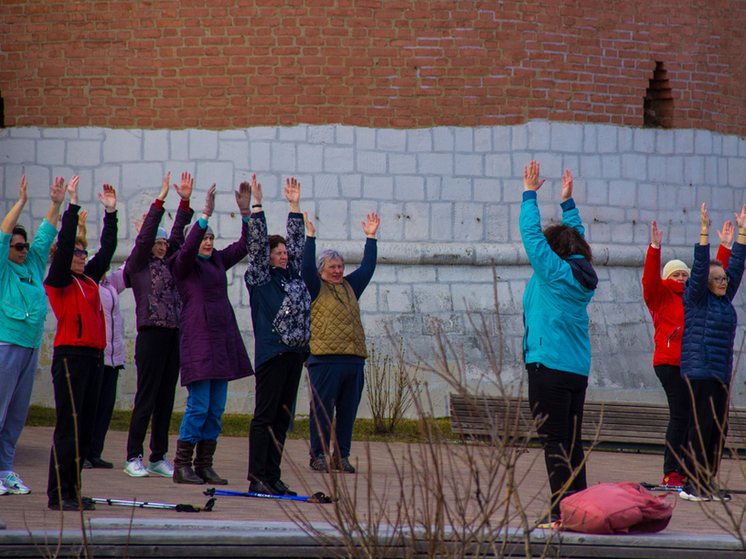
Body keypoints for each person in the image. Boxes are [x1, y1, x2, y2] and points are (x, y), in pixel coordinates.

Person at [519, 161, 597, 523]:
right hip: (575, 370)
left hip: (547, 365)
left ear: (555, 252)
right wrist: (568, 204)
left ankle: (561, 513)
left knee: (554, 442)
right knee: (573, 443)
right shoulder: (582, 274)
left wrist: (529, 194)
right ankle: (580, 511)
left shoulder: (552, 271)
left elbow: (532, 237)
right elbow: (576, 238)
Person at [170, 182, 253, 485]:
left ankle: (204, 464)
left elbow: (244, 246)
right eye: (204, 237)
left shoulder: (217, 259)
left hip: (221, 340)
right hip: (198, 342)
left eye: (211, 238)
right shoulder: (182, 265)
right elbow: (188, 248)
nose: (208, 242)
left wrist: (245, 213)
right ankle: (182, 465)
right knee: (199, 406)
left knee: (216, 409)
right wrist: (205, 214)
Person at [45, 178, 118, 511]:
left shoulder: (89, 279)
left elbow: (108, 249)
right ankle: (58, 494)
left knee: (84, 430)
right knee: (69, 427)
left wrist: (110, 212)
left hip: (94, 358)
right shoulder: (60, 281)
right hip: (70, 357)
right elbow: (64, 246)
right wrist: (72, 205)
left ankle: (74, 489)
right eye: (75, 252)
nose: (81, 256)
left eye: (83, 252)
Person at [641, 219, 732, 488]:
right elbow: (649, 280)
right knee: (681, 415)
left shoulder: (695, 294)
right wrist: (654, 247)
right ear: (667, 279)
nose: (681, 278)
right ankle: (672, 474)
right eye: (675, 275)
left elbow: (713, 273)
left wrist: (725, 248)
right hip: (670, 363)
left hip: (693, 365)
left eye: (684, 274)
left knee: (696, 419)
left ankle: (689, 472)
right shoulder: (661, 295)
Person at [122, 172, 193, 478]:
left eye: (165, 244)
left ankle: (157, 456)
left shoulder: (169, 262)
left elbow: (178, 235)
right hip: (150, 334)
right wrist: (160, 201)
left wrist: (185, 202)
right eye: (158, 243)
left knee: (166, 399)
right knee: (147, 396)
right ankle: (133, 455)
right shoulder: (137, 264)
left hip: (172, 335)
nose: (163, 247)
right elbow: (146, 236)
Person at [245, 176, 311, 496]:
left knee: (282, 421)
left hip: (295, 355)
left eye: (285, 252)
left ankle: (273, 475)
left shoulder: (294, 276)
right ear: (268, 258)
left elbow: (299, 244)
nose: (284, 255)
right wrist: (257, 206)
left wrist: (294, 206)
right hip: (273, 355)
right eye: (278, 252)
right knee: (265, 417)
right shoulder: (260, 279)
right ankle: (257, 475)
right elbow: (256, 245)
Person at [301, 210, 380, 474]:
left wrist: (371, 238)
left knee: (347, 415)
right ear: (322, 270)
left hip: (353, 360)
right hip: (324, 360)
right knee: (322, 412)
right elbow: (306, 268)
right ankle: (318, 455)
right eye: (332, 267)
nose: (337, 271)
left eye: (340, 267)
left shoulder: (350, 286)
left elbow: (368, 268)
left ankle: (341, 456)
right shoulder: (314, 286)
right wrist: (310, 238)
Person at [0, 175, 64, 496]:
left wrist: (56, 203)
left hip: (31, 348)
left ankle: (6, 470)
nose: (24, 250)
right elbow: (2, 234)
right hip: (6, 347)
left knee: (16, 414)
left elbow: (47, 234)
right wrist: (21, 202)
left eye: (25, 246)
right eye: (18, 246)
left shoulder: (33, 265)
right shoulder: (3, 269)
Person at [679, 203, 746, 502]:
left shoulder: (723, 299)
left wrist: (742, 232)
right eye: (718, 279)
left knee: (718, 429)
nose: (723, 281)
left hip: (718, 373)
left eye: (724, 280)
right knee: (701, 427)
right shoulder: (696, 299)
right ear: (706, 282)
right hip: (699, 370)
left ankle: (707, 482)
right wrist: (704, 233)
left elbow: (736, 267)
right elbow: (701, 268)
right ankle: (691, 484)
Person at [75, 210, 128, 471]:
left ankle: (95, 451)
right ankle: (81, 453)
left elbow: (131, 262)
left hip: (113, 357)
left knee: (105, 408)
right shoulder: (90, 281)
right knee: (89, 408)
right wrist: (81, 231)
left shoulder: (110, 284)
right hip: (95, 354)